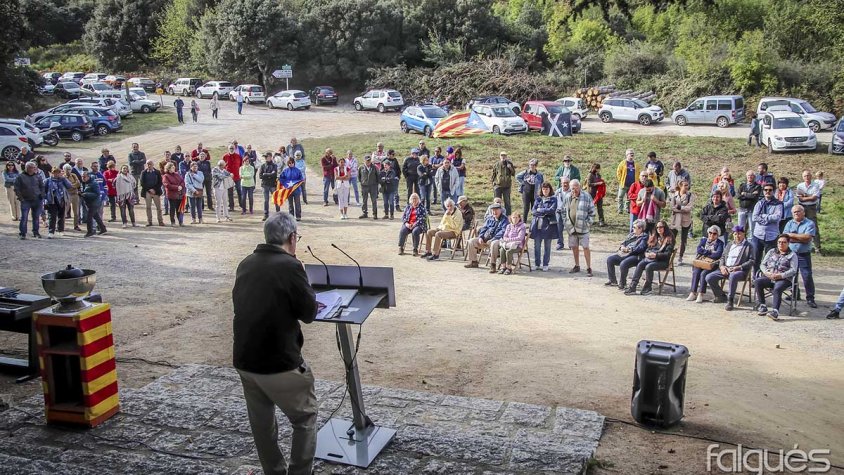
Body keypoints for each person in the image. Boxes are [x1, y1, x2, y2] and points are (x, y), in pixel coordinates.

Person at [232, 212, 318, 475]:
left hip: (245, 359)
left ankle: (274, 471)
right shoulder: (290, 266)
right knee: (305, 417)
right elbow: (309, 313)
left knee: (262, 422)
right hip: (279, 362)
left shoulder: (246, 263)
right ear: (292, 238)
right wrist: (303, 275)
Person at [706, 225, 754, 310]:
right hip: (726, 268)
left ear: (744, 234)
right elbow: (723, 257)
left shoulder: (748, 246)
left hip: (739, 271)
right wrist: (722, 267)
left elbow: (751, 261)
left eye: (739, 234)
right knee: (709, 277)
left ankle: (730, 300)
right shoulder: (729, 244)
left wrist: (738, 267)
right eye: (735, 234)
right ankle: (720, 295)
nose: (737, 236)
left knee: (733, 276)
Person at [625, 220, 675, 296]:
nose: (659, 229)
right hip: (651, 259)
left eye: (661, 227)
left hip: (662, 261)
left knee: (649, 267)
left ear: (665, 228)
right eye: (657, 227)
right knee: (640, 264)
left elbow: (667, 254)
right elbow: (648, 248)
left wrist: (656, 255)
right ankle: (632, 287)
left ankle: (648, 288)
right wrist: (647, 253)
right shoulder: (655, 237)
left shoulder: (669, 239)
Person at [754, 235, 798, 320]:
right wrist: (766, 273)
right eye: (779, 242)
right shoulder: (771, 251)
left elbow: (793, 270)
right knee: (758, 281)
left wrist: (781, 275)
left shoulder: (792, 255)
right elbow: (762, 264)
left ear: (788, 243)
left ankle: (775, 311)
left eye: (784, 242)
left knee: (777, 288)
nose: (781, 244)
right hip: (770, 276)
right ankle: (762, 305)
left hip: (784, 279)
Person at [782, 205, 817, 309]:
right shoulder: (789, 223)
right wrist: (800, 237)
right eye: (794, 212)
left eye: (798, 211)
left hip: (803, 254)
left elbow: (807, 238)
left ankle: (810, 298)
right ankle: (795, 294)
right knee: (792, 275)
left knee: (807, 276)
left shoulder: (809, 223)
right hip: (791, 254)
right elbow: (785, 238)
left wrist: (792, 236)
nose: (796, 213)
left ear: (803, 212)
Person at [562, 179, 596, 276]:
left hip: (583, 228)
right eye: (572, 188)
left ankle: (589, 268)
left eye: (576, 187)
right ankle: (577, 265)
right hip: (571, 228)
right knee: (574, 247)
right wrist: (566, 224)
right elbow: (563, 212)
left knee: (585, 247)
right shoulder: (567, 197)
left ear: (580, 186)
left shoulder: (586, 196)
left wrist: (587, 224)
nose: (574, 190)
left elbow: (592, 212)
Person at [686, 226, 725, 303]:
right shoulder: (704, 240)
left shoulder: (720, 243)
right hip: (701, 262)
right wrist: (710, 252)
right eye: (710, 233)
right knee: (696, 272)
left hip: (712, 265)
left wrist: (705, 253)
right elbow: (699, 249)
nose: (712, 235)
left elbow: (717, 255)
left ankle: (701, 293)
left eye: (714, 233)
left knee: (703, 274)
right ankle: (693, 292)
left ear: (718, 235)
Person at [464, 203, 508, 272]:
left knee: (494, 243)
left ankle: (492, 265)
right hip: (485, 238)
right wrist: (481, 237)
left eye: (496, 210)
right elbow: (484, 228)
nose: (494, 212)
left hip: (497, 240)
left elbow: (503, 232)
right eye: (493, 210)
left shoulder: (505, 220)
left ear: (500, 210)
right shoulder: (489, 218)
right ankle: (473, 262)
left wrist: (493, 239)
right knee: (471, 241)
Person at [606, 220, 648, 290]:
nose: (633, 229)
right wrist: (622, 247)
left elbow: (640, 248)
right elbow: (624, 242)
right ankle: (613, 280)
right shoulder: (631, 235)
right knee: (610, 259)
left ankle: (623, 283)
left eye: (634, 227)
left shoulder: (644, 237)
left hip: (636, 256)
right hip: (625, 254)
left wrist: (629, 250)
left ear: (640, 228)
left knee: (624, 263)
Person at [751, 184, 783, 272]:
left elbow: (777, 217)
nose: (767, 192)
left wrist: (763, 217)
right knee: (756, 258)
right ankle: (755, 277)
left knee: (770, 259)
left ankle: (767, 278)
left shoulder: (778, 204)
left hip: (771, 236)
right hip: (758, 235)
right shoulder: (759, 203)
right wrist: (769, 218)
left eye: (770, 190)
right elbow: (754, 217)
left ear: (773, 191)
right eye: (765, 190)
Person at [531, 182, 558, 271]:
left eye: (547, 189)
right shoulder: (538, 199)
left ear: (550, 190)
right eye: (543, 189)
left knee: (547, 246)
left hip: (548, 226)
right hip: (537, 226)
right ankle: (537, 264)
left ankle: (545, 264)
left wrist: (541, 210)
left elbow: (552, 210)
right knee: (537, 246)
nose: (545, 191)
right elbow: (533, 211)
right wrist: (544, 212)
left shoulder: (553, 199)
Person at [15, 162, 45, 239]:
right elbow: (17, 188)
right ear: (27, 168)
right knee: (24, 217)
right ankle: (23, 233)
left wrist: (42, 195)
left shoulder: (38, 176)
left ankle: (36, 232)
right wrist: (21, 198)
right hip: (25, 200)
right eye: (31, 167)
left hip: (37, 200)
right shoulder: (20, 177)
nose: (33, 169)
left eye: (34, 167)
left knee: (36, 217)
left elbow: (42, 187)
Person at [668, 180, 694, 265]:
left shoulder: (690, 195)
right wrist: (682, 208)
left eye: (687, 185)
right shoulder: (674, 195)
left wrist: (680, 207)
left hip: (686, 219)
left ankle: (680, 257)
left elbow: (689, 207)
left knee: (684, 239)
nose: (687, 187)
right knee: (672, 238)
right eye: (685, 185)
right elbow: (672, 207)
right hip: (675, 219)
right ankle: (668, 256)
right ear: (680, 186)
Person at [795, 170, 821, 252]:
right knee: (800, 225)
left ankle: (817, 247)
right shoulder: (800, 186)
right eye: (805, 176)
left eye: (808, 175)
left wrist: (805, 196)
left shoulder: (816, 185)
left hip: (811, 208)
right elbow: (800, 199)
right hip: (801, 207)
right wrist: (809, 196)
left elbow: (815, 198)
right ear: (802, 177)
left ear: (811, 176)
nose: (807, 177)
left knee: (813, 226)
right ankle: (802, 245)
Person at [43, 167, 72, 238]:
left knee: (61, 216)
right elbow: (43, 190)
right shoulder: (47, 180)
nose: (57, 174)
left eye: (59, 173)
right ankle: (51, 232)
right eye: (56, 173)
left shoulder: (62, 180)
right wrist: (46, 198)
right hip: (52, 200)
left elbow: (69, 186)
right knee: (52, 216)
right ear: (52, 173)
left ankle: (60, 230)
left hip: (62, 199)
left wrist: (64, 178)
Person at [80, 171, 106, 237]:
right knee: (96, 216)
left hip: (95, 203)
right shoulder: (85, 183)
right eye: (82, 176)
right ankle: (103, 229)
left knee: (89, 217)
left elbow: (97, 193)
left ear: (88, 176)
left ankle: (90, 231)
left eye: (84, 177)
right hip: (89, 203)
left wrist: (85, 194)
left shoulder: (94, 183)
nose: (83, 178)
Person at [736, 170, 761, 236]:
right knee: (740, 228)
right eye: (748, 175)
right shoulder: (742, 185)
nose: (750, 177)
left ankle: (752, 243)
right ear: (746, 177)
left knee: (752, 228)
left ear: (754, 177)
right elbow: (738, 196)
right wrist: (749, 195)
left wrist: (744, 194)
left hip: (751, 210)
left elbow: (754, 197)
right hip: (742, 209)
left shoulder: (757, 186)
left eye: (751, 175)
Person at [141, 160, 164, 227]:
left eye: (150, 164)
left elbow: (160, 182)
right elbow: (142, 183)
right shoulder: (143, 172)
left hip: (156, 192)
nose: (149, 165)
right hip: (147, 191)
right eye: (148, 164)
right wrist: (149, 189)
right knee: (148, 207)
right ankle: (149, 221)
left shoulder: (157, 172)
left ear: (153, 164)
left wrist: (154, 189)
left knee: (158, 208)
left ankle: (160, 221)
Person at [615, 149, 639, 215]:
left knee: (629, 198)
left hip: (632, 184)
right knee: (620, 197)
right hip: (623, 184)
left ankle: (627, 209)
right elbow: (618, 172)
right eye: (630, 153)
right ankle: (620, 210)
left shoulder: (636, 164)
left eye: (632, 153)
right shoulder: (622, 163)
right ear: (626, 155)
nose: (632, 154)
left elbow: (639, 173)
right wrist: (620, 180)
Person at [223, 144, 243, 213]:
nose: (231, 149)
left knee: (239, 191)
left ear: (234, 149)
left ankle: (242, 205)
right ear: (228, 149)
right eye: (230, 148)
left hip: (237, 176)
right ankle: (231, 206)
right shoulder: (225, 156)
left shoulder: (238, 156)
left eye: (233, 148)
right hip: (228, 177)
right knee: (230, 192)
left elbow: (241, 165)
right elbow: (223, 167)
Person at [260, 152, 279, 220]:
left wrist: (266, 174)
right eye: (265, 157)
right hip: (265, 185)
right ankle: (266, 214)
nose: (265, 158)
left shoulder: (274, 165)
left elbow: (274, 175)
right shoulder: (262, 166)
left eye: (266, 156)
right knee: (266, 200)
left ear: (270, 157)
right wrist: (269, 175)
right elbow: (260, 176)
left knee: (276, 199)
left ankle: (278, 213)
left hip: (272, 185)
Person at [554, 176, 571, 250]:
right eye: (564, 183)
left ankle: (571, 244)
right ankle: (560, 244)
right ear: (561, 183)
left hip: (569, 212)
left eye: (567, 183)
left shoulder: (572, 191)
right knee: (559, 229)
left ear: (569, 183)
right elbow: (554, 202)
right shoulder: (558, 191)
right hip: (559, 212)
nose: (565, 184)